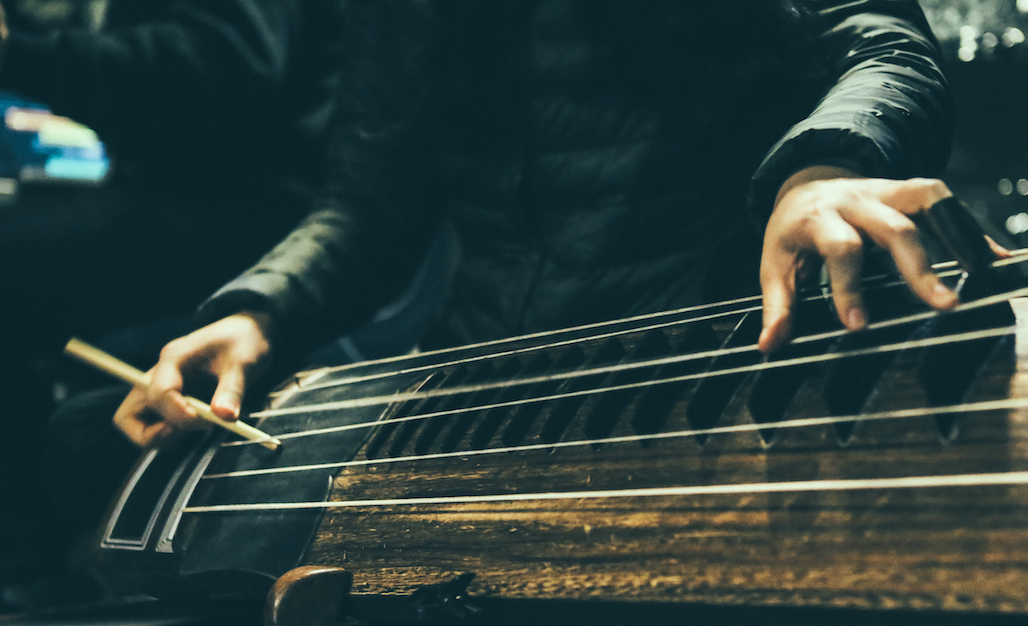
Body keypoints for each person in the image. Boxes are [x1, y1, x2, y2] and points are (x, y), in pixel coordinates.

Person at [112, 0, 965, 452]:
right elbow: (373, 193)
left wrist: (816, 178)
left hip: (694, 357)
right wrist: (263, 313)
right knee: (100, 438)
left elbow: (883, 48)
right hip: (486, 378)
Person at [0, 0, 342, 605]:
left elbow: (228, 70)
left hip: (252, 211)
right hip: (173, 196)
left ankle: (27, 566)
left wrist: (21, 51)